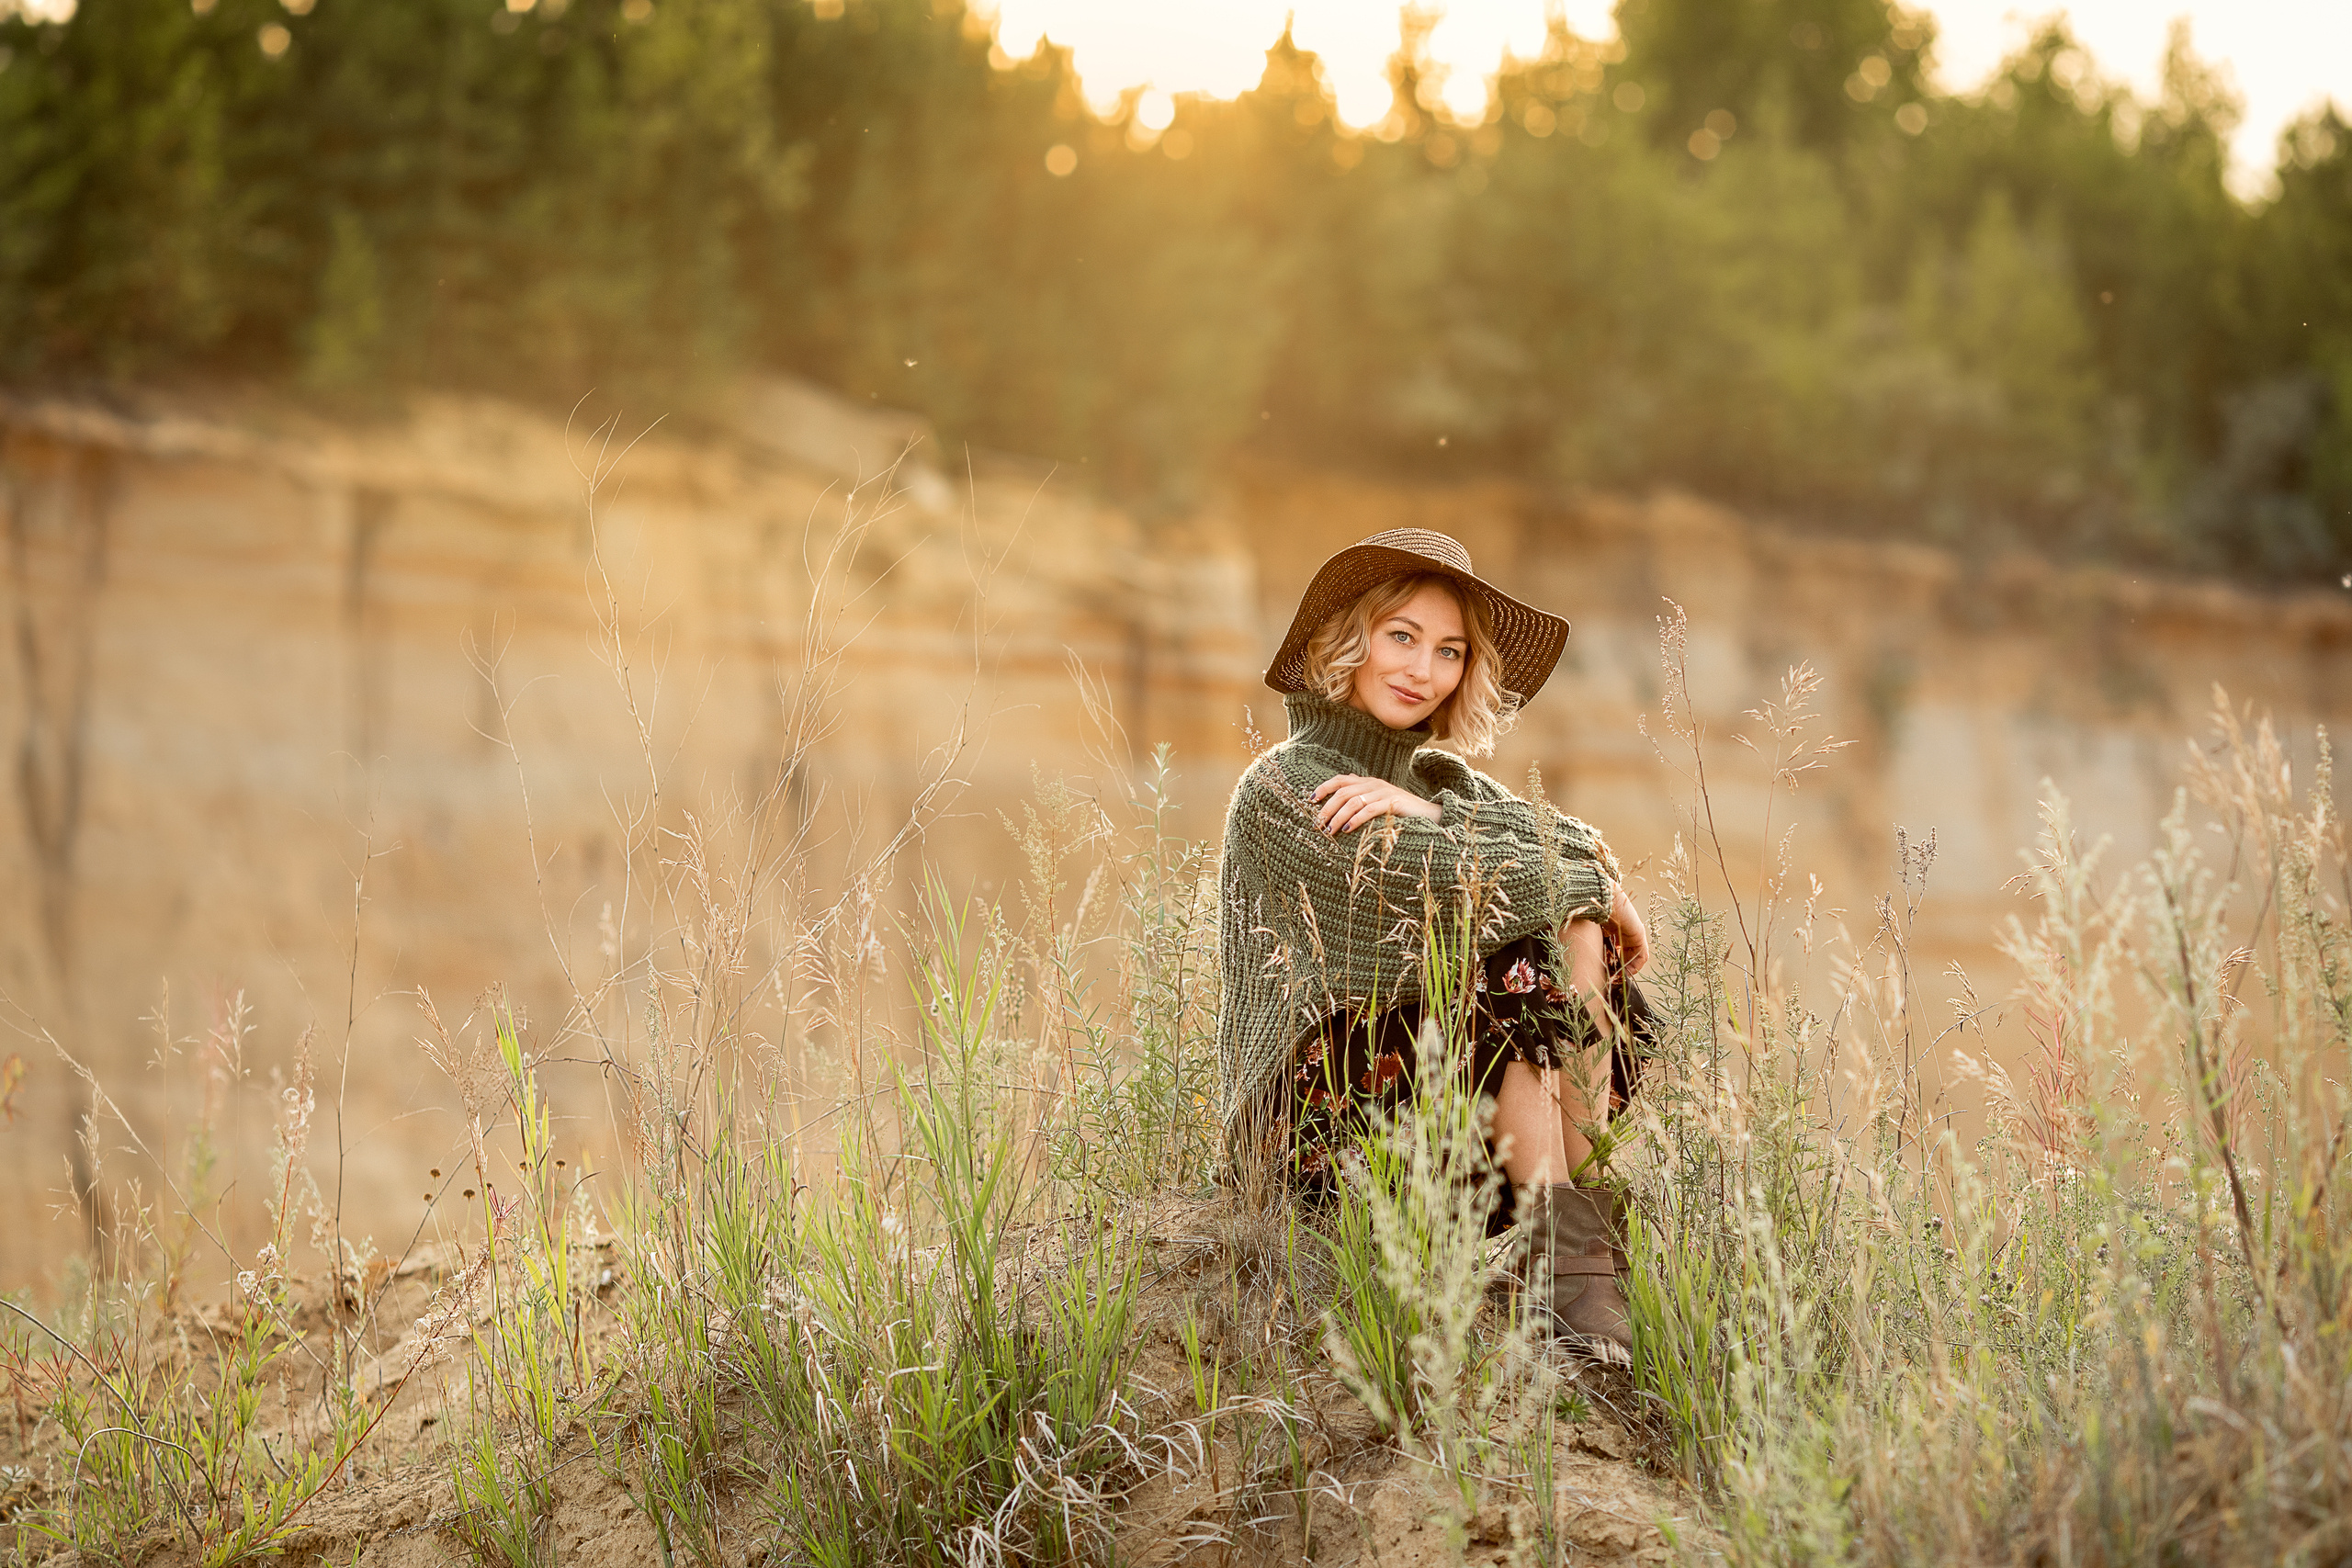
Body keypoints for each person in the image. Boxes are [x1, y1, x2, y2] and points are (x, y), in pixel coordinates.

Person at [1216, 528, 1648, 1357]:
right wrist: (1597, 887)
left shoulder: (1447, 785)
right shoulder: (1285, 784)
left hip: (1438, 1109)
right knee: (1522, 939)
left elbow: (1584, 857)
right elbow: (1512, 880)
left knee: (1569, 930)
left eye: (1449, 651)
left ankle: (1567, 1233)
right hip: (1315, 1127)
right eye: (1402, 637)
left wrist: (1431, 811)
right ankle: (1575, 1258)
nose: (1423, 670)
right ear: (1349, 641)